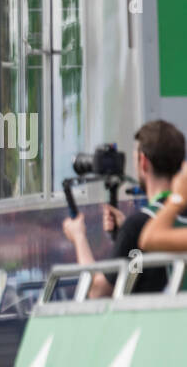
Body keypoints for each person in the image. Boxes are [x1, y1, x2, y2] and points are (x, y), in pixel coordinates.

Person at [63, 120, 186, 293]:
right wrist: (125, 232)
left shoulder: (137, 227)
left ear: (143, 162)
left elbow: (98, 292)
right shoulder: (138, 225)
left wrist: (79, 237)